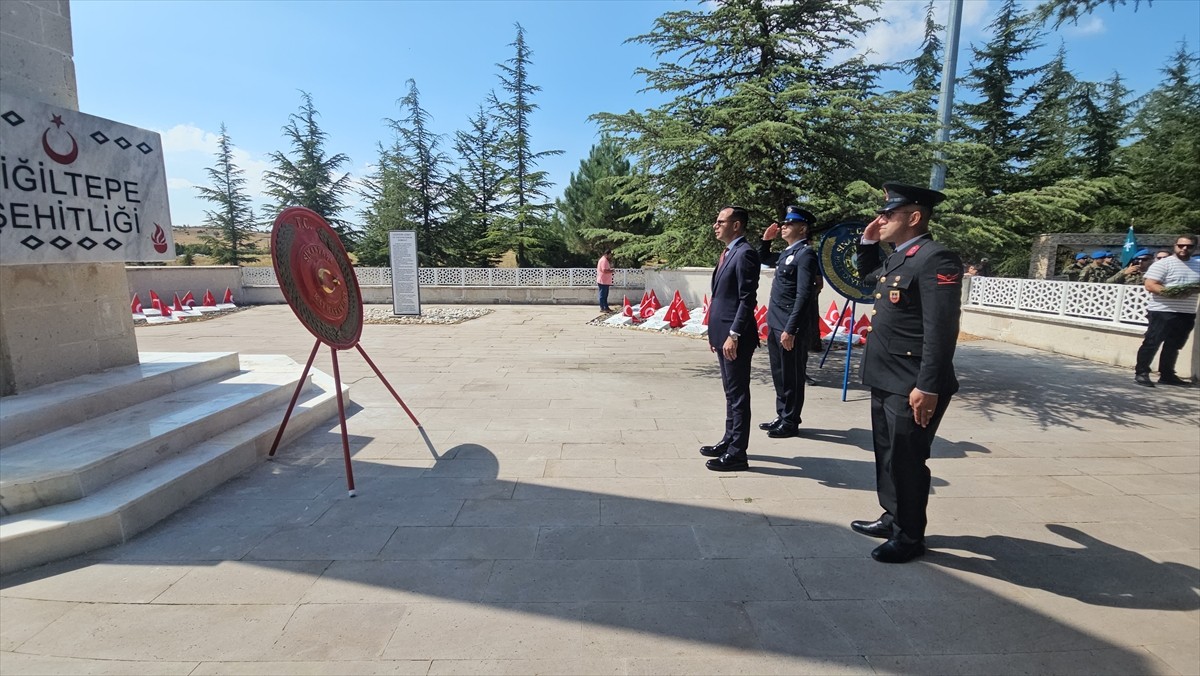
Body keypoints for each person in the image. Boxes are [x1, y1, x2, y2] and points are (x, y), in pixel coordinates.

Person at [851, 182, 962, 564]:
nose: (880, 220)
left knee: (908, 461)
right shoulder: (902, 256)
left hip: (913, 382)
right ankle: (893, 516)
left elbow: (942, 329)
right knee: (887, 455)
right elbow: (869, 279)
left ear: (914, 218)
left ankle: (910, 536)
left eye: (888, 214)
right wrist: (867, 244)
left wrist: (927, 386)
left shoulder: (937, 259)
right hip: (885, 375)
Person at [699, 205, 760, 472]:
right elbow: (722, 298)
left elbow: (747, 300)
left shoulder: (745, 254)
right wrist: (717, 333)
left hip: (736, 337)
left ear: (736, 225)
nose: (716, 225)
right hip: (722, 335)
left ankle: (738, 453)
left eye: (721, 221)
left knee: (738, 395)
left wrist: (733, 334)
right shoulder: (729, 253)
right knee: (730, 393)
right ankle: (729, 439)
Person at [756, 206, 821, 438]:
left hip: (789, 325)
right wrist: (765, 241)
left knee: (792, 374)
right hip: (776, 322)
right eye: (783, 224)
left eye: (789, 224)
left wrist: (791, 328)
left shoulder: (806, 254)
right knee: (779, 372)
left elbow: (803, 294)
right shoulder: (787, 253)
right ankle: (782, 414)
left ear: (802, 228)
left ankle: (791, 420)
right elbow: (763, 258)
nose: (783, 227)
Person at [1134, 234, 1200, 387]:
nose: (1184, 248)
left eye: (1189, 246)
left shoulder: (1197, 266)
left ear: (1195, 248)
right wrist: (1172, 293)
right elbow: (1150, 285)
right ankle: (1142, 372)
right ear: (1175, 246)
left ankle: (1167, 374)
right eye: (1181, 245)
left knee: (1174, 344)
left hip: (1186, 312)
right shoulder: (1163, 264)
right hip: (1163, 310)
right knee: (1152, 342)